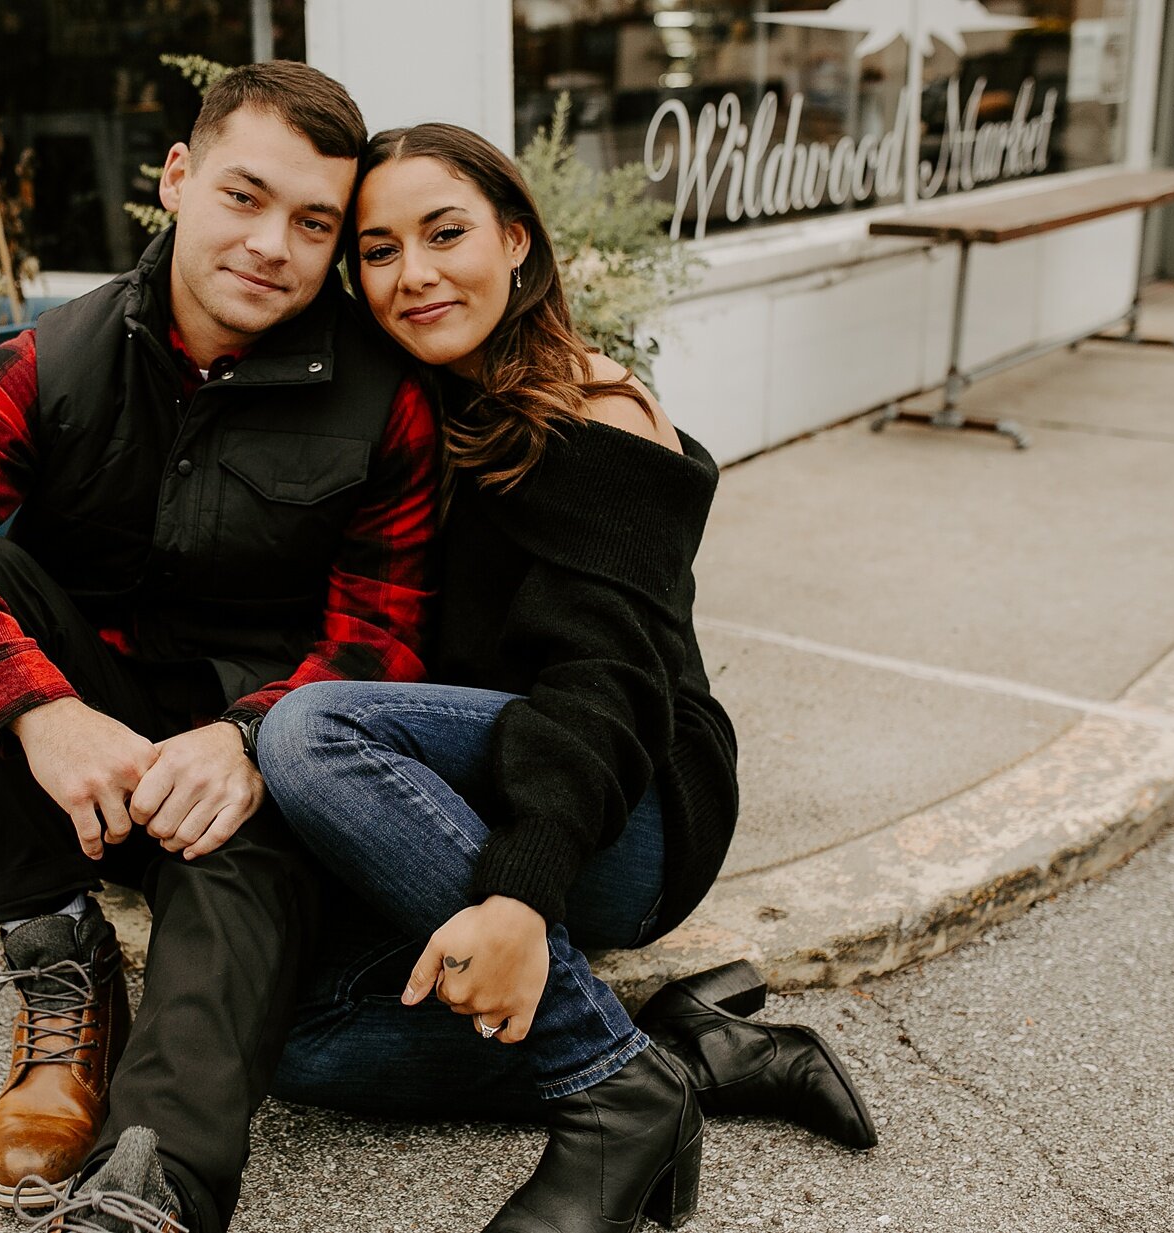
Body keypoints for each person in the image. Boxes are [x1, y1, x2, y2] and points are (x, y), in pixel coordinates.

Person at [0, 63, 438, 1233]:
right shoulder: (59, 353)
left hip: (255, 748)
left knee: (235, 900)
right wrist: (38, 713)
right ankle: (61, 963)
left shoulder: (384, 401)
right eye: (243, 198)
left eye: (313, 223)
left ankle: (158, 1181)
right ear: (177, 179)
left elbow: (388, 635)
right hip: (89, 723)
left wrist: (256, 737)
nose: (271, 245)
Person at [256, 123, 876, 1233]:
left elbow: (605, 683)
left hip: (629, 803)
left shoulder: (593, 414)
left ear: (515, 241)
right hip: (498, 774)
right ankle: (686, 1049)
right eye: (378, 249)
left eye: (444, 234)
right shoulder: (411, 410)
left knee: (308, 733)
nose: (416, 274)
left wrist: (518, 892)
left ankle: (610, 1090)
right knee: (299, 1041)